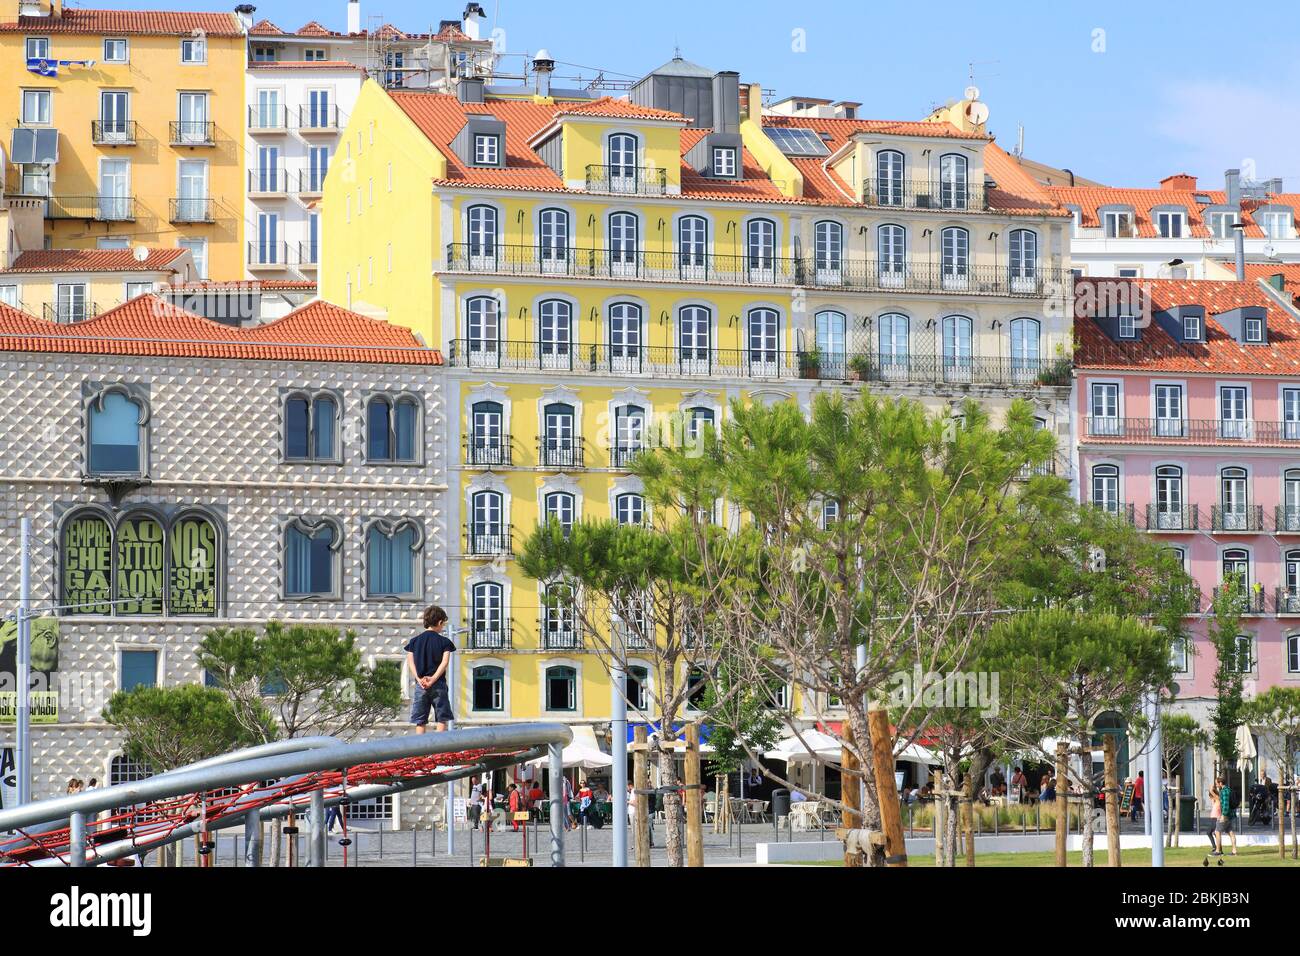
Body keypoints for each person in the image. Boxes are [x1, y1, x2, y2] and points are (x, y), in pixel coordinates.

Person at [404, 605, 454, 734]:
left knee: (420, 720)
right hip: (438, 684)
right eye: (443, 624)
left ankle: (420, 750)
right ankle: (440, 747)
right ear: (440, 622)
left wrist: (419, 678)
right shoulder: (445, 642)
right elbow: (444, 663)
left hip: (421, 684)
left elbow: (410, 661)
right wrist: (433, 679)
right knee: (442, 717)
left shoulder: (414, 642)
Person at [1217, 777, 1238, 856]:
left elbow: (1226, 804)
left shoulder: (1224, 791)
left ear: (1221, 783)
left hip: (1226, 815)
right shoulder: (1229, 789)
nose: (1216, 785)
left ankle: (1218, 851)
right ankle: (1234, 851)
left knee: (1217, 831)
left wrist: (1223, 815)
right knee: (1230, 832)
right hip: (1231, 814)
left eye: (1217, 784)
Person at [1207, 777, 1223, 854]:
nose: (1210, 798)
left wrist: (1211, 790)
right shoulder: (1215, 800)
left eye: (1210, 797)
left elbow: (1215, 795)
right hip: (1214, 818)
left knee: (1210, 832)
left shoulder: (1218, 798)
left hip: (1216, 818)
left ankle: (1215, 847)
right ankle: (1219, 849)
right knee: (1215, 833)